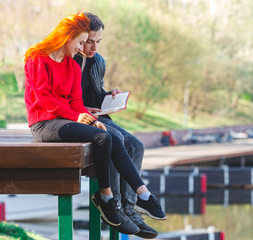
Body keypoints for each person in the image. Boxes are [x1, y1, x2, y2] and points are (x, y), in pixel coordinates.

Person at [23, 12, 166, 236]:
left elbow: (78, 100)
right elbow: (44, 99)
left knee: (113, 137)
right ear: (67, 37)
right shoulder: (38, 57)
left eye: (93, 42)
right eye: (83, 41)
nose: (86, 48)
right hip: (46, 122)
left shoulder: (73, 65)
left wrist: (92, 112)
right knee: (105, 137)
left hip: (71, 118)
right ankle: (110, 200)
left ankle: (140, 195)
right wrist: (77, 116)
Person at [73, 13, 160, 238]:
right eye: (89, 41)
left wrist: (109, 96)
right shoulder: (68, 59)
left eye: (98, 42)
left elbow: (95, 94)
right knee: (115, 141)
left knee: (137, 146)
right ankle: (116, 207)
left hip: (98, 115)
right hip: (77, 117)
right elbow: (67, 98)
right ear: (79, 37)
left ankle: (130, 208)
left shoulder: (99, 61)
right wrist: (83, 111)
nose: (93, 47)